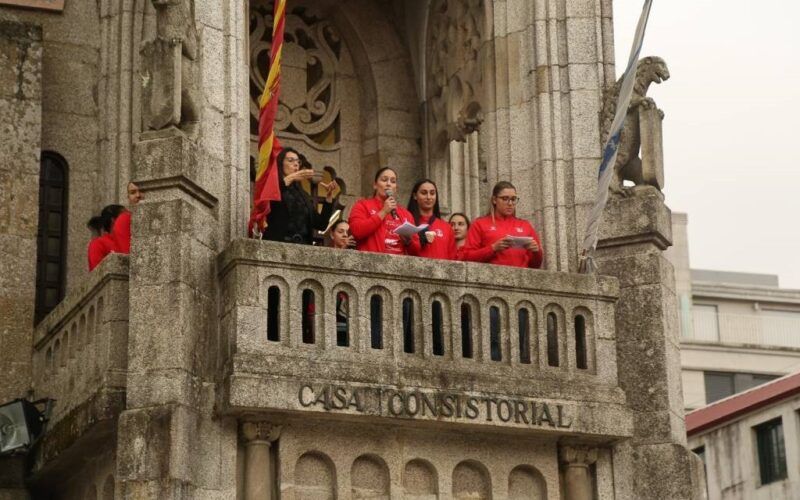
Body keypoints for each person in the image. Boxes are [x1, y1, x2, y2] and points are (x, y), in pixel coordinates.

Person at [262, 147, 338, 244]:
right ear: (280, 164)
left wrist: (328, 197)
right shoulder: (273, 186)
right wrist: (292, 177)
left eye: (298, 162)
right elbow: (268, 201)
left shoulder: (303, 195)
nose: (296, 164)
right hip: (277, 244)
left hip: (302, 246)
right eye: (290, 160)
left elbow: (321, 224)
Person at [461, 181, 544, 268]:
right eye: (505, 199)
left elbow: (535, 265)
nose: (510, 203)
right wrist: (493, 248)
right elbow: (467, 257)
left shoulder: (525, 225)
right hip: (491, 278)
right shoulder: (480, 223)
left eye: (513, 199)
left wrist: (536, 252)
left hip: (522, 278)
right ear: (494, 200)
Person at [349, 167, 420, 255]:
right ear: (375, 185)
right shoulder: (362, 205)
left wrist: (409, 242)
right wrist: (383, 212)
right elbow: (357, 231)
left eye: (393, 181)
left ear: (396, 188)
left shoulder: (406, 214)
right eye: (384, 180)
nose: (388, 184)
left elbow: (416, 251)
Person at [406, 179, 456, 260]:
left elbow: (452, 258)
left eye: (432, 193)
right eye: (424, 193)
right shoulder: (409, 224)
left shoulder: (446, 227)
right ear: (415, 196)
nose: (429, 197)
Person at [110, 182, 144, 254]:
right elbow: (127, 252)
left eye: (142, 190)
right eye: (133, 192)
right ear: (128, 197)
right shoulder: (125, 219)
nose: (138, 195)